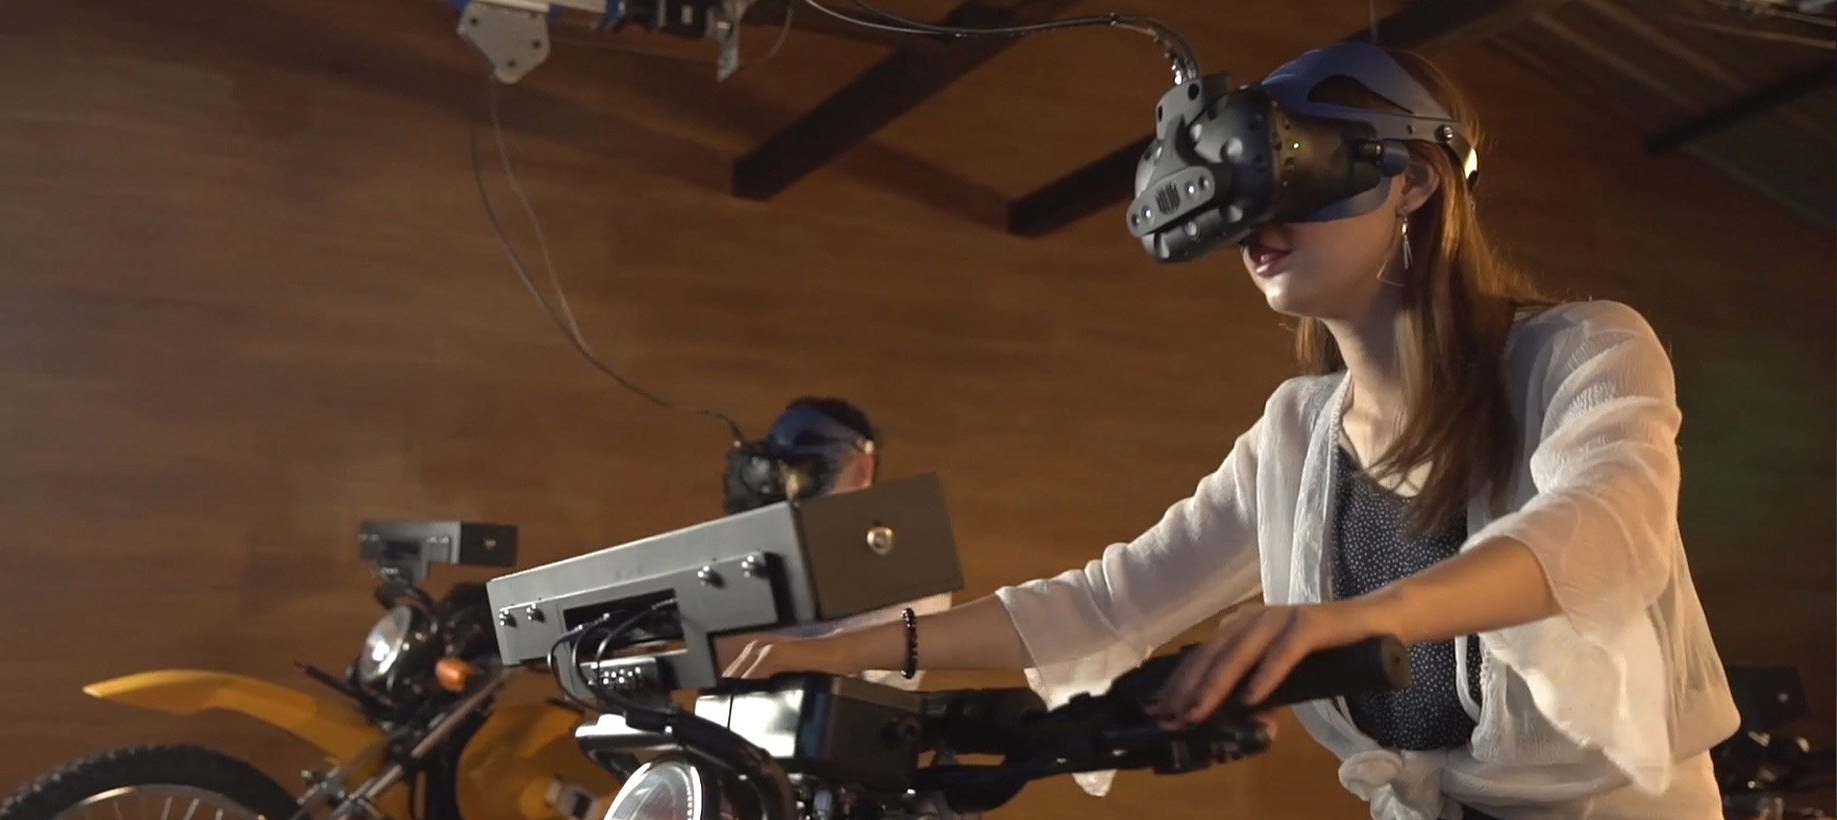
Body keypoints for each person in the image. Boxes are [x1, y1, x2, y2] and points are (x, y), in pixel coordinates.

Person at [719, 43, 1739, 820]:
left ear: (1416, 179)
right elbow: (1100, 603)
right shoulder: (1299, 432)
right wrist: (841, 646)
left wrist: (1360, 617)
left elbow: (1606, 525)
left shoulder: (1582, 349)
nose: (1256, 223)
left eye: (1291, 173)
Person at [722, 396, 952, 691]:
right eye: (779, 473)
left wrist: (701, 649)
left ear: (861, 469)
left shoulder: (906, 559)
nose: (790, 488)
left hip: (840, 728)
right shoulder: (760, 563)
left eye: (804, 472)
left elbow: (834, 665)